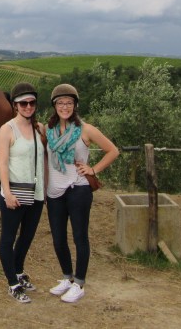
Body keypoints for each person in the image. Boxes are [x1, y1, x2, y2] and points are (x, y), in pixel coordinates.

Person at [45, 83, 119, 303]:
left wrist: (93, 169)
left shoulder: (86, 129)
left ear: (75, 105)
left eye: (69, 102)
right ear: (54, 105)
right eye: (60, 102)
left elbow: (113, 150)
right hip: (54, 191)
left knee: (79, 237)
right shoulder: (48, 130)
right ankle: (67, 278)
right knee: (58, 239)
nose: (65, 106)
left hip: (78, 189)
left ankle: (79, 283)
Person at [0, 82, 45, 303]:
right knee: (8, 238)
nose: (28, 106)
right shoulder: (7, 129)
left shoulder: (39, 128)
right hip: (14, 192)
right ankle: (13, 284)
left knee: (26, 236)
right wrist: (6, 193)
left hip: (36, 193)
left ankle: (18, 271)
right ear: (15, 105)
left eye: (31, 102)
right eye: (23, 103)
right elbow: (3, 164)